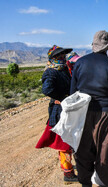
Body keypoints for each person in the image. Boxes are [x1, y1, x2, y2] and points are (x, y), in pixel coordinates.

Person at [70, 30, 108, 187]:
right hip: (106, 114)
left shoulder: (80, 63)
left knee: (83, 150)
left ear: (93, 44)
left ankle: (85, 183)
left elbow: (73, 92)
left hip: (83, 113)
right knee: (106, 152)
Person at [35, 45, 78, 184]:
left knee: (70, 138)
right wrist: (60, 97)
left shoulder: (64, 69)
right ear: (52, 58)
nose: (62, 58)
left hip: (68, 108)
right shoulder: (51, 72)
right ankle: (68, 173)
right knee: (63, 142)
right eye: (58, 56)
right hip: (60, 111)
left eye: (63, 55)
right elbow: (47, 89)